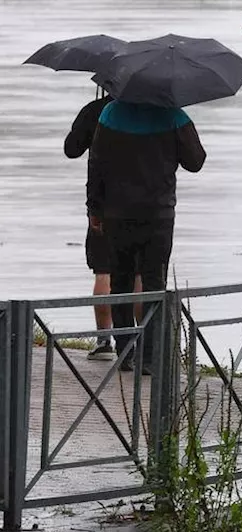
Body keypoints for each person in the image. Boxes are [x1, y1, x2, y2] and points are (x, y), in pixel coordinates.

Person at [87, 99, 206, 374]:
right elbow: (195, 161)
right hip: (158, 215)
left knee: (120, 281)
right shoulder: (174, 116)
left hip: (117, 213)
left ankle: (125, 350)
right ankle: (151, 358)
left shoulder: (110, 113)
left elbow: (97, 163)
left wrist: (94, 207)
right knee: (154, 283)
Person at [64, 91, 141, 361]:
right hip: (145, 206)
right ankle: (140, 343)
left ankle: (105, 341)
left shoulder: (96, 110)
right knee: (139, 275)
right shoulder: (151, 111)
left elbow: (71, 149)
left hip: (105, 205)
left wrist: (91, 118)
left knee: (104, 271)